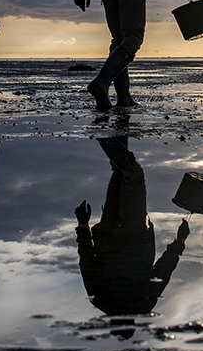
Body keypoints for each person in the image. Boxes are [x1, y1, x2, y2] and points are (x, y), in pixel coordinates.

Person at [73, 135, 189, 317]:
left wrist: (180, 241)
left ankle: (103, 133)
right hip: (107, 234)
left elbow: (162, 271)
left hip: (133, 234)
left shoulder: (142, 306)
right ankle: (120, 119)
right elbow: (86, 261)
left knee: (133, 174)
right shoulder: (99, 301)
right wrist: (83, 225)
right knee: (119, 172)